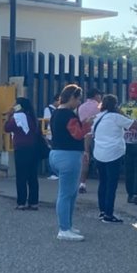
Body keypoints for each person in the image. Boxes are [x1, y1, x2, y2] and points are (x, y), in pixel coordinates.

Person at [49, 84, 92, 241]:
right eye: (78, 98)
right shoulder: (68, 115)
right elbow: (78, 134)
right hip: (69, 156)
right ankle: (64, 229)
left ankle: (67, 225)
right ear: (72, 98)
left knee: (70, 193)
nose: (79, 102)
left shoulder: (55, 113)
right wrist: (88, 123)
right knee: (66, 194)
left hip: (56, 154)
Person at [91, 95, 137, 223]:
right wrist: (123, 113)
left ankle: (102, 211)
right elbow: (135, 125)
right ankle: (109, 214)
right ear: (115, 105)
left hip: (99, 153)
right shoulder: (117, 117)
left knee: (103, 183)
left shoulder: (98, 117)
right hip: (113, 154)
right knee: (111, 185)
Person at [4, 97, 41, 210]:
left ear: (19, 106)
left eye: (15, 104)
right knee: (32, 176)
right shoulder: (31, 117)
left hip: (21, 149)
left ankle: (21, 202)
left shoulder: (17, 117)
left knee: (21, 176)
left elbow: (7, 128)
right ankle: (33, 202)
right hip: (33, 149)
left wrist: (9, 115)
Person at [76, 88, 102, 193]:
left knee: (85, 159)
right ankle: (102, 182)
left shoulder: (81, 107)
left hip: (84, 135)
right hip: (97, 136)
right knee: (101, 159)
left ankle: (82, 183)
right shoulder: (99, 107)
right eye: (99, 95)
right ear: (96, 95)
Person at [43, 94, 60, 180]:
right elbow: (47, 121)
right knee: (51, 153)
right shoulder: (48, 109)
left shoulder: (58, 110)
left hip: (57, 134)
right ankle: (51, 172)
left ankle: (56, 172)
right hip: (50, 134)